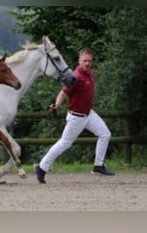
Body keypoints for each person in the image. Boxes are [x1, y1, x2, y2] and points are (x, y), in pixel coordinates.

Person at [35, 47, 115, 184]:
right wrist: (57, 105)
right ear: (79, 61)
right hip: (76, 117)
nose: (88, 63)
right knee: (65, 143)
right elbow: (63, 92)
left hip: (88, 114)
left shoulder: (89, 74)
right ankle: (42, 167)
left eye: (90, 61)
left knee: (105, 134)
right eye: (85, 61)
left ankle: (98, 166)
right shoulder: (75, 77)